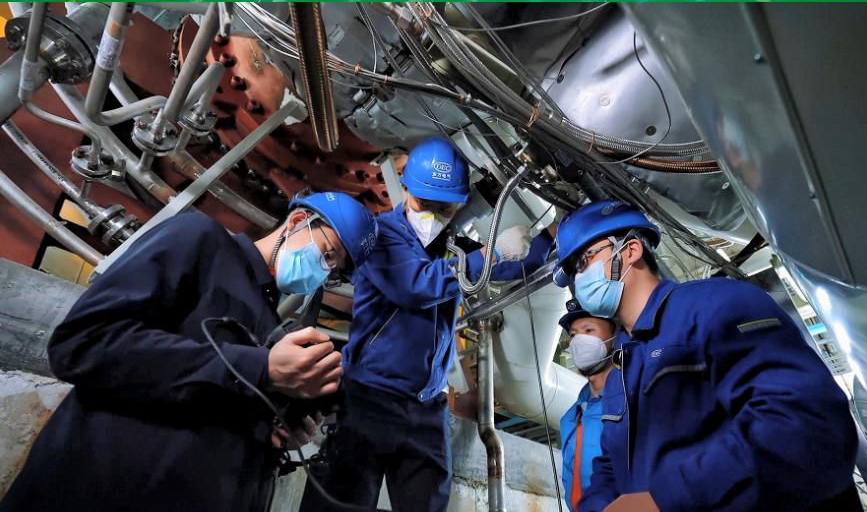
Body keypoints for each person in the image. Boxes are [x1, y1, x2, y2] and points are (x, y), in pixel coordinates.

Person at [0, 191, 378, 512]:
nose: (324, 273)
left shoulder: (271, 329)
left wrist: (273, 434)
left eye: (334, 272)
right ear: (297, 221)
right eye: (328, 254)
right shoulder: (200, 241)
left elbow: (204, 403)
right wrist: (260, 369)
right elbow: (83, 343)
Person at [551, 199, 861, 512]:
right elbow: (610, 465)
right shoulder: (622, 370)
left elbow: (806, 428)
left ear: (630, 251)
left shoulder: (716, 304)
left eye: (583, 262)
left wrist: (666, 500)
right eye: (573, 273)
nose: (578, 280)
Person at [306, 137, 555, 512]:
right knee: (340, 504)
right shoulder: (378, 235)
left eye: (445, 208)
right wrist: (492, 253)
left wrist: (553, 234)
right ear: (406, 189)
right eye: (425, 204)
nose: (434, 216)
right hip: (368, 398)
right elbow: (417, 286)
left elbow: (513, 264)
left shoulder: (451, 249)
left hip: (426, 408)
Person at [559, 299, 618, 511]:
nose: (578, 341)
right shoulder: (570, 418)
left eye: (589, 330)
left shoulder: (633, 402)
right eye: (574, 335)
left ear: (615, 338)